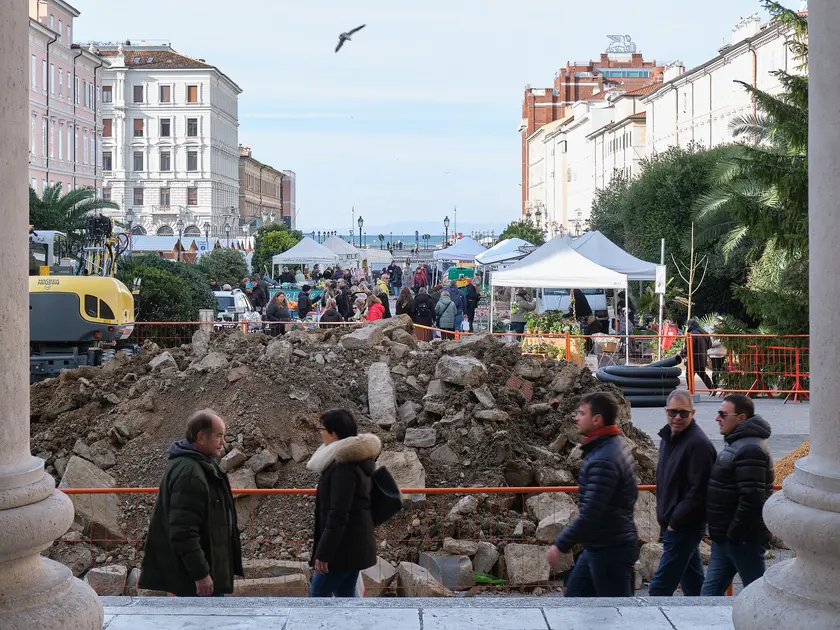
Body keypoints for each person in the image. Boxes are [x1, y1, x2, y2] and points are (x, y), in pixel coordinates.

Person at [138, 410, 243, 596]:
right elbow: (183, 531)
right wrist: (201, 574)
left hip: (197, 574)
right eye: (219, 436)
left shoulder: (197, 465)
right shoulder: (190, 473)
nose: (223, 442)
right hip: (195, 581)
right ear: (201, 437)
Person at [547, 392, 638, 597]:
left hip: (611, 550)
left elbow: (592, 513)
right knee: (576, 601)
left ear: (597, 419)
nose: (576, 418)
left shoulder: (603, 459)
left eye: (582, 413)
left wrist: (560, 545)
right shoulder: (609, 447)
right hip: (600, 546)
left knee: (617, 614)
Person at [701, 394, 774, 596]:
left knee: (758, 595)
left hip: (742, 540)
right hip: (727, 539)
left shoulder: (749, 448)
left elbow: (752, 497)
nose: (718, 419)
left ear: (741, 418)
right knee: (708, 596)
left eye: (723, 414)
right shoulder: (738, 443)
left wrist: (734, 534)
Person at [648, 391, 717, 596]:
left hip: (683, 526)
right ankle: (703, 618)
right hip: (675, 523)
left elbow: (699, 491)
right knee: (693, 582)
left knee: (660, 587)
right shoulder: (668, 438)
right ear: (666, 411)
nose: (677, 417)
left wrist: (674, 521)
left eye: (683, 413)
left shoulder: (699, 445)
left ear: (692, 413)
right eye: (673, 412)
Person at [307, 409, 381, 596]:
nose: (319, 432)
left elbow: (338, 514)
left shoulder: (342, 467)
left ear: (333, 434)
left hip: (342, 551)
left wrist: (324, 555)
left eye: (321, 428)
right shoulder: (356, 460)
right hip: (354, 546)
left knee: (317, 600)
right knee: (345, 602)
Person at [684, 319, 714, 391]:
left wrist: (682, 353)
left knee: (689, 375)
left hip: (693, 358)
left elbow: (689, 347)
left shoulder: (692, 334)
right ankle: (711, 388)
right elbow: (710, 345)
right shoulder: (705, 333)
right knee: (702, 374)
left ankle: (690, 390)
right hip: (702, 357)